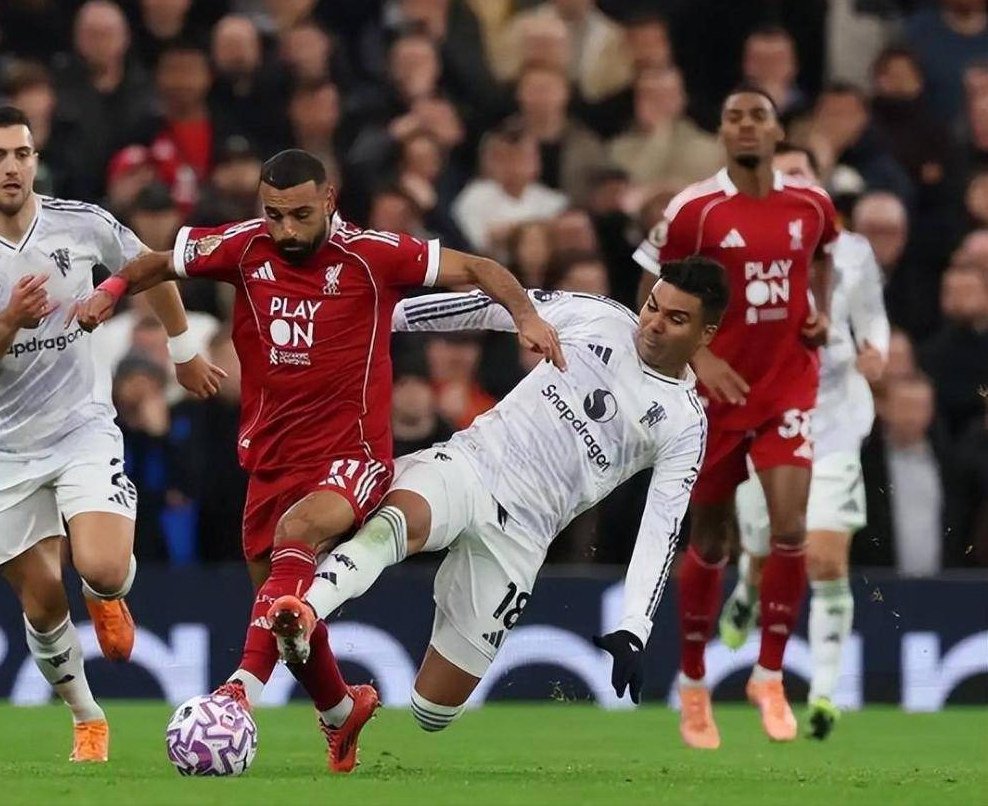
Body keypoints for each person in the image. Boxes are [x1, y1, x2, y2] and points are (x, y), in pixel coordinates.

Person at [68, 148, 565, 772]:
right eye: (273, 214)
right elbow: (156, 261)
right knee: (283, 613)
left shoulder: (373, 255)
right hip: (271, 457)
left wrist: (526, 316)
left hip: (351, 454)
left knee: (296, 535)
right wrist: (111, 291)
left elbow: (479, 266)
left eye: (300, 214)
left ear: (329, 200)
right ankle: (340, 711)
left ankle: (237, 692)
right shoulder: (244, 247)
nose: (286, 229)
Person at [281, 257, 726, 732]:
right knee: (403, 521)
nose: (653, 324)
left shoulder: (684, 423)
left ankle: (349, 678)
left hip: (523, 537)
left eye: (675, 319)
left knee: (433, 711)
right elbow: (490, 306)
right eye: (653, 306)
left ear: (706, 334)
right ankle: (304, 612)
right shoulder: (600, 317)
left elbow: (660, 528)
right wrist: (383, 316)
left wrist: (634, 626)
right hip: (472, 466)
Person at [0, 106, 222, 763]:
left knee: (103, 566)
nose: (11, 167)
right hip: (2, 447)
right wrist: (9, 319)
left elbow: (148, 267)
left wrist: (182, 350)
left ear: (35, 159)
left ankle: (107, 594)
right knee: (41, 601)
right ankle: (87, 717)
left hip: (82, 427)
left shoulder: (81, 222)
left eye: (21, 154)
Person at [632, 87, 839, 749]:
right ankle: (694, 683)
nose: (746, 126)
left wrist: (819, 311)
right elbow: (649, 290)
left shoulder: (811, 203)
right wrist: (698, 357)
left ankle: (769, 676)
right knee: (713, 541)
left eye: (758, 116)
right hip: (714, 397)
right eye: (733, 117)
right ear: (721, 133)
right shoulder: (695, 210)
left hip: (786, 386)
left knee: (789, 529)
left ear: (777, 131)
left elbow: (824, 256)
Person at [719, 142, 889, 741]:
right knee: (768, 547)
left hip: (835, 420)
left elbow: (871, 314)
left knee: (823, 558)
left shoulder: (852, 251)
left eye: (800, 171)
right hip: (766, 414)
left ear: (817, 183)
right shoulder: (741, 244)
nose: (791, 180)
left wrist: (875, 349)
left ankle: (823, 693)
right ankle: (747, 584)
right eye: (782, 172)